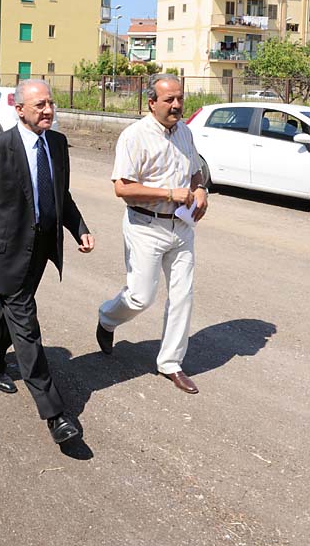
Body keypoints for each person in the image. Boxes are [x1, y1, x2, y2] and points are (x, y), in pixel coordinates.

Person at [0, 79, 94, 444]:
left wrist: (78, 227)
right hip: (6, 249)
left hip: (42, 246)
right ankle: (54, 413)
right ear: (19, 109)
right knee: (26, 325)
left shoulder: (57, 144)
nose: (48, 110)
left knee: (8, 306)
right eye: (39, 105)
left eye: (50, 103)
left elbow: (60, 193)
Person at [96, 74, 208, 394]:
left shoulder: (185, 131)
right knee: (140, 296)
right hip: (145, 226)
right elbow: (122, 188)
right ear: (151, 102)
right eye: (169, 99)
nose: (176, 105)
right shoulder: (135, 136)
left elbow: (196, 172)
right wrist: (170, 193)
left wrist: (200, 191)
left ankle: (170, 363)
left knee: (183, 294)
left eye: (179, 98)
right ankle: (107, 319)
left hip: (181, 227)